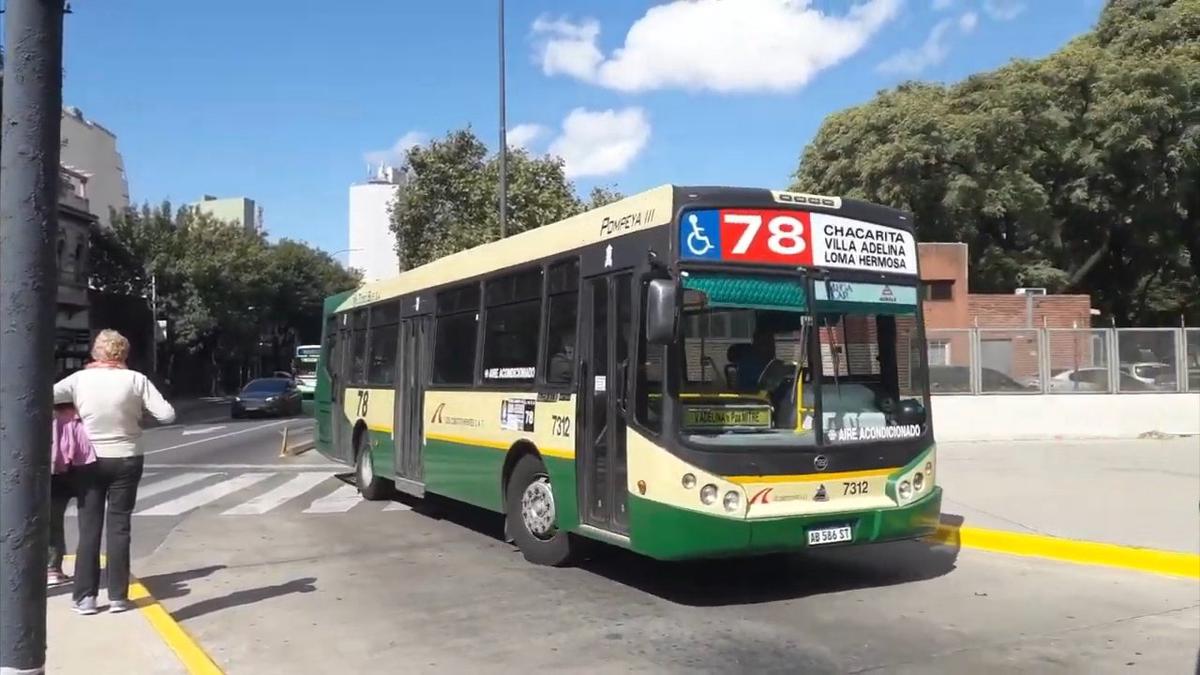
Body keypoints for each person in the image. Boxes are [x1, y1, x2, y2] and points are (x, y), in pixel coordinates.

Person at [53, 330, 176, 615]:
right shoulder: (136, 379)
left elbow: (42, 396)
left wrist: (73, 411)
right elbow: (167, 415)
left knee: (89, 527)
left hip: (89, 460)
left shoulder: (79, 380)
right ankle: (119, 597)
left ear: (96, 352)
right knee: (120, 527)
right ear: (123, 354)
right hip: (128, 457)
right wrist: (138, 417)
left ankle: (86, 598)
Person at [48, 403, 96, 586]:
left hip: (55, 474)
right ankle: (86, 571)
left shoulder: (48, 417)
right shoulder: (85, 416)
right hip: (84, 470)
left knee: (52, 521)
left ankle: (52, 568)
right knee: (90, 521)